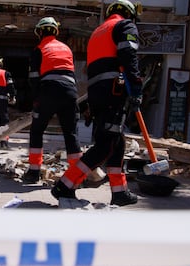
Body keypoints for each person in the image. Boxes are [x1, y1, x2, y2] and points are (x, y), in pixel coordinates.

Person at [50, 0, 143, 206]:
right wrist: (136, 88)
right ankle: (64, 185)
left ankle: (120, 192)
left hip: (98, 95)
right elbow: (129, 56)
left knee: (117, 143)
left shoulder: (98, 32)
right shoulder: (125, 25)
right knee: (105, 145)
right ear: (129, 14)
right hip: (114, 92)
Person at [22, 17, 83, 183]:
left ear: (40, 32)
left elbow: (34, 78)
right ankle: (77, 176)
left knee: (37, 130)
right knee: (71, 133)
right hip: (70, 92)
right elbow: (71, 74)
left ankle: (34, 173)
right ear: (55, 31)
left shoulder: (39, 49)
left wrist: (36, 99)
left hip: (48, 91)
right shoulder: (66, 48)